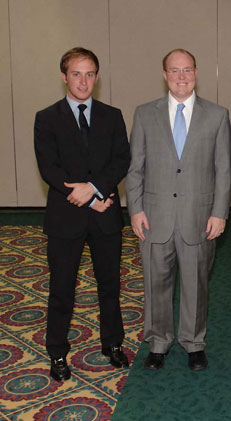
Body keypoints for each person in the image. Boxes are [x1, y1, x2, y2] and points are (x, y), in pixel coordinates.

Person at [126, 49, 231, 371]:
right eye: (174, 71)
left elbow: (224, 169)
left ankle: (194, 342)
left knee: (196, 284)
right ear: (164, 75)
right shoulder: (145, 114)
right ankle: (158, 342)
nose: (181, 76)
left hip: (198, 218)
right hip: (154, 218)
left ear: (196, 72)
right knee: (155, 283)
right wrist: (135, 208)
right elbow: (135, 169)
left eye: (187, 70)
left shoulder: (217, 115)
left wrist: (219, 212)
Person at [34, 47, 131, 381]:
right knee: (62, 288)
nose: (83, 81)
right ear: (64, 77)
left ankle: (113, 344)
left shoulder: (112, 115)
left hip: (106, 217)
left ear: (97, 77)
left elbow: (122, 159)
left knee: (110, 285)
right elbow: (49, 167)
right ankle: (58, 353)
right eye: (76, 73)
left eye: (90, 73)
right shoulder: (46, 118)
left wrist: (96, 189)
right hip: (66, 217)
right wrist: (89, 197)